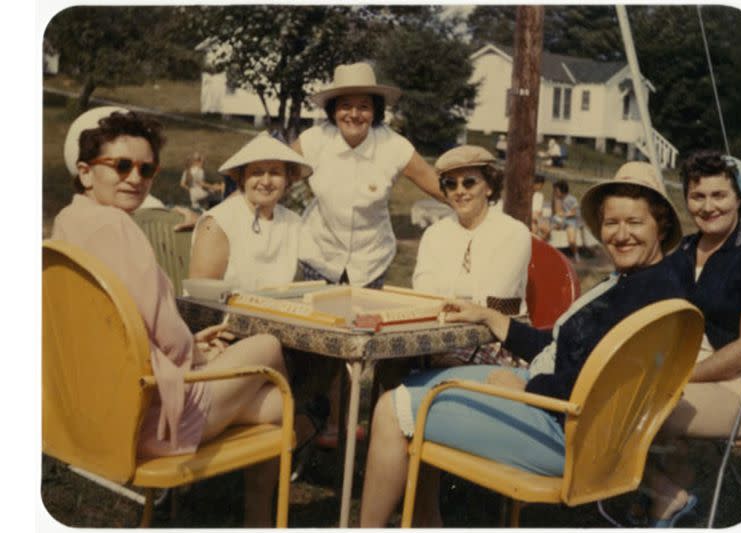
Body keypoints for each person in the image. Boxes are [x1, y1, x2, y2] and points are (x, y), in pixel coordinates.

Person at [358, 161, 687, 527]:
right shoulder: (644, 282)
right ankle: (424, 523)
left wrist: (525, 385)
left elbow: (598, 382)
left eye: (635, 222)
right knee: (414, 387)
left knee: (391, 409)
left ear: (662, 225)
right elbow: (565, 349)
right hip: (570, 420)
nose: (621, 234)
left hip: (563, 433)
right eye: (612, 223)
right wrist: (489, 317)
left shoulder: (644, 297)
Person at [53, 107, 322, 526]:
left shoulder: (67, 224)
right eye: (121, 165)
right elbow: (165, 328)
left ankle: (257, 518)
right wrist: (199, 357)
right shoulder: (117, 228)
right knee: (267, 347)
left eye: (146, 169)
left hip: (95, 404)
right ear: (86, 172)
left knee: (273, 407)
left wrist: (189, 346)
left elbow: (122, 324)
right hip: (150, 414)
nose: (135, 178)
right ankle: (266, 507)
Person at [290, 62, 444, 446]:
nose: (354, 114)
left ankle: (340, 431)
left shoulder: (395, 146)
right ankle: (297, 423)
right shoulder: (314, 141)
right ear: (332, 109)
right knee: (308, 349)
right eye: (345, 105)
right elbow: (270, 173)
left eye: (364, 106)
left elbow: (438, 185)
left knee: (354, 351)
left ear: (375, 110)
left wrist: (481, 209)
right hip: (318, 255)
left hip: (369, 262)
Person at [637, 150, 741, 527]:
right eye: (698, 196)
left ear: (739, 197)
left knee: (644, 407)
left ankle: (665, 493)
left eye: (719, 195)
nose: (707, 207)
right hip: (690, 372)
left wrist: (683, 376)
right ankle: (671, 491)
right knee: (621, 393)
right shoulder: (687, 250)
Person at [412, 145, 530, 367]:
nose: (460, 191)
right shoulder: (435, 234)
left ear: (488, 187)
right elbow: (424, 295)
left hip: (495, 340)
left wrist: (446, 299)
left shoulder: (514, 233)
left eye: (469, 182)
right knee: (387, 363)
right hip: (439, 335)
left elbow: (490, 301)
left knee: (441, 366)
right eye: (450, 184)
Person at [188, 133, 312, 291]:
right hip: (225, 313)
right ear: (242, 177)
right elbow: (201, 295)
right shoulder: (219, 223)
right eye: (257, 173)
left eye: (275, 173)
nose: (266, 182)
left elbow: (320, 263)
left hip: (278, 311)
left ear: (287, 179)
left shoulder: (292, 221)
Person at [551, 179, 580, 261]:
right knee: (548, 229)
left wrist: (564, 214)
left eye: (556, 190)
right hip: (560, 221)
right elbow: (556, 212)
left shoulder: (572, 199)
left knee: (571, 240)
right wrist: (555, 200)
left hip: (570, 222)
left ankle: (576, 254)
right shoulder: (558, 199)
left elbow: (574, 212)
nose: (555, 192)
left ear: (562, 190)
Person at [530, 173, 550, 238]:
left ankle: (540, 243)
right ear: (534, 183)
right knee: (534, 230)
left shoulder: (540, 196)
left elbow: (540, 211)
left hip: (538, 218)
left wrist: (539, 218)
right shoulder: (527, 194)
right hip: (529, 218)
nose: (541, 187)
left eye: (542, 185)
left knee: (547, 230)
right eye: (540, 185)